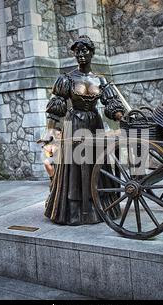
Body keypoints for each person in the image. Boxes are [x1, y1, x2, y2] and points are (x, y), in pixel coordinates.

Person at [44, 35, 125, 225]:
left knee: (98, 163)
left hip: (94, 124)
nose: (81, 55)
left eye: (85, 50)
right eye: (77, 51)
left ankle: (99, 206)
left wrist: (121, 116)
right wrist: (50, 134)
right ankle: (75, 211)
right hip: (75, 125)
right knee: (76, 166)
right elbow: (56, 107)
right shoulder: (67, 79)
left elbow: (112, 103)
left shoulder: (101, 80)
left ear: (92, 53)